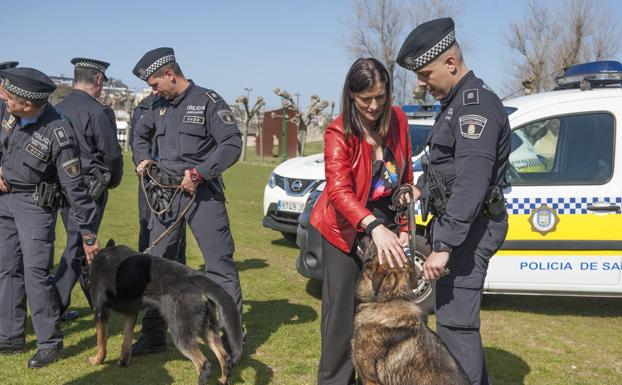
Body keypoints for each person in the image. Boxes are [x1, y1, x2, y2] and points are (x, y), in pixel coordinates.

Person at [397, 18, 511, 385]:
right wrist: (417, 189)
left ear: (450, 63)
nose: (421, 83)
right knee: (452, 327)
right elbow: (447, 170)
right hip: (459, 230)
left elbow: (472, 183)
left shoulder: (475, 106)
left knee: (456, 330)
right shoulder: (456, 102)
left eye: (425, 73)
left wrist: (444, 246)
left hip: (467, 233)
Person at [131, 47, 243, 355]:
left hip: (202, 195)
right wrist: (141, 159)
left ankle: (232, 341)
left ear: (170, 74)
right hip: (164, 195)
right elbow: (138, 136)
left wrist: (199, 173)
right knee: (157, 268)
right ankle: (154, 336)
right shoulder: (154, 105)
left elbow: (232, 143)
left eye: (155, 83)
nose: (153, 90)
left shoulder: (208, 101)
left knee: (219, 267)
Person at [310, 57, 414, 385]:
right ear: (350, 95)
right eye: (365, 98)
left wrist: (406, 229)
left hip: (386, 224)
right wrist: (373, 226)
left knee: (387, 315)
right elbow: (339, 192)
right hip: (343, 228)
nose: (373, 106)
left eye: (380, 97)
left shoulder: (397, 119)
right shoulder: (338, 131)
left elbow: (406, 178)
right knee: (340, 319)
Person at [0, 67, 99, 368]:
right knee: (6, 269)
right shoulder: (9, 115)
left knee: (35, 274)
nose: (2, 97)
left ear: (28, 104)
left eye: (8, 96)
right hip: (5, 201)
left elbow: (76, 188)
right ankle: (10, 336)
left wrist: (88, 233)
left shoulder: (59, 131)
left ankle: (50, 343)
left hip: (35, 207)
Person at [53, 58, 123, 321]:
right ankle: (53, 306)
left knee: (78, 244)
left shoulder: (58, 108)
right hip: (89, 189)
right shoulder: (98, 111)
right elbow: (111, 155)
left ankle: (96, 302)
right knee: (78, 246)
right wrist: (114, 180)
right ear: (98, 80)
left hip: (62, 188)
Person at [130, 94, 186, 256]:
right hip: (152, 176)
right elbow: (137, 142)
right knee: (150, 224)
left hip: (172, 176)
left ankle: (174, 269)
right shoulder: (144, 108)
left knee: (175, 225)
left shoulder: (174, 106)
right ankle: (145, 267)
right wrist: (142, 165)